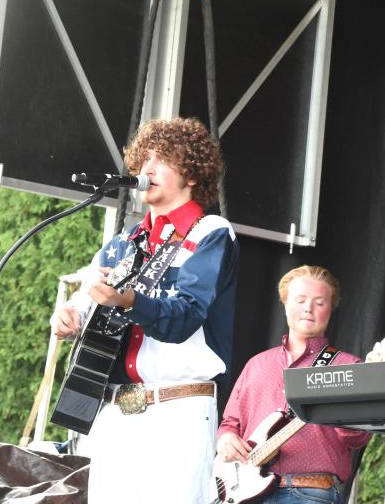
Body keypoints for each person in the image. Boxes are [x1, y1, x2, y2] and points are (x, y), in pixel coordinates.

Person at [50, 117, 239, 504]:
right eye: (144, 158)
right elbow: (84, 302)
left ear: (191, 173)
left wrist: (127, 300)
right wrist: (69, 315)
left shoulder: (212, 232)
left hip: (177, 408)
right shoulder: (124, 242)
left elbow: (185, 316)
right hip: (114, 408)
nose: (146, 169)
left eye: (163, 159)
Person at [216, 265, 371, 504]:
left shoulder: (347, 366)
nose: (309, 308)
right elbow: (230, 424)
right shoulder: (257, 364)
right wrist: (226, 439)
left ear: (331, 309)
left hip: (308, 492)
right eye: (300, 300)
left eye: (319, 302)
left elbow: (358, 438)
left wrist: (343, 413)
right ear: (285, 304)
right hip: (244, 491)